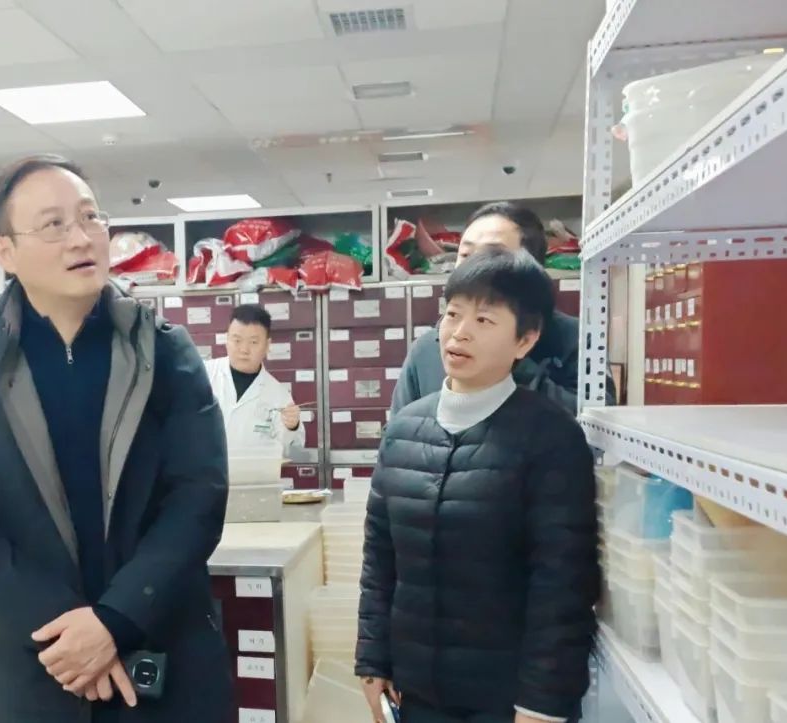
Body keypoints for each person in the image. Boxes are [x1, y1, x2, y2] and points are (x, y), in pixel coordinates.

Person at [0, 154, 233, 723]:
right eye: (54, 224)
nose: (81, 238)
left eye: (90, 217)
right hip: (36, 667)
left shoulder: (166, 355)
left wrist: (115, 620)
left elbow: (199, 497)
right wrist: (69, 633)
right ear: (5, 252)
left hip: (161, 652)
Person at [356, 247, 599, 723]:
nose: (459, 332)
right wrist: (372, 661)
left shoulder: (551, 437)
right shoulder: (403, 430)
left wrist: (542, 704)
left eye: (484, 320)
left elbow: (562, 583)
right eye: (452, 314)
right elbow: (380, 558)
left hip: (506, 702)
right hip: (416, 695)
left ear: (525, 340)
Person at [391, 201, 583, 415]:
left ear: (533, 268)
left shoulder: (576, 340)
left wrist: (511, 363)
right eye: (465, 254)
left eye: (492, 255)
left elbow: (591, 428)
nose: (474, 267)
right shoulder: (426, 350)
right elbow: (399, 430)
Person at [203, 304, 305, 456]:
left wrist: (292, 427)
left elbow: (292, 451)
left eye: (253, 342)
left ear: (267, 345)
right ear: (227, 339)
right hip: (204, 470)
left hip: (253, 471)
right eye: (237, 340)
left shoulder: (278, 395)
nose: (244, 349)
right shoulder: (203, 375)